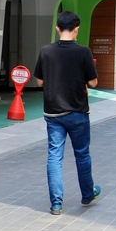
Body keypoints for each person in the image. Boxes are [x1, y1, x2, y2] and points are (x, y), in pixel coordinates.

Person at [33, 11, 101, 216]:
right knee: (82, 155)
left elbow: (40, 81)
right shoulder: (83, 52)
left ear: (57, 28)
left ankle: (56, 204)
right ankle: (88, 193)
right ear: (76, 29)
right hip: (78, 111)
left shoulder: (46, 51)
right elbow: (93, 82)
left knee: (54, 157)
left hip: (53, 113)